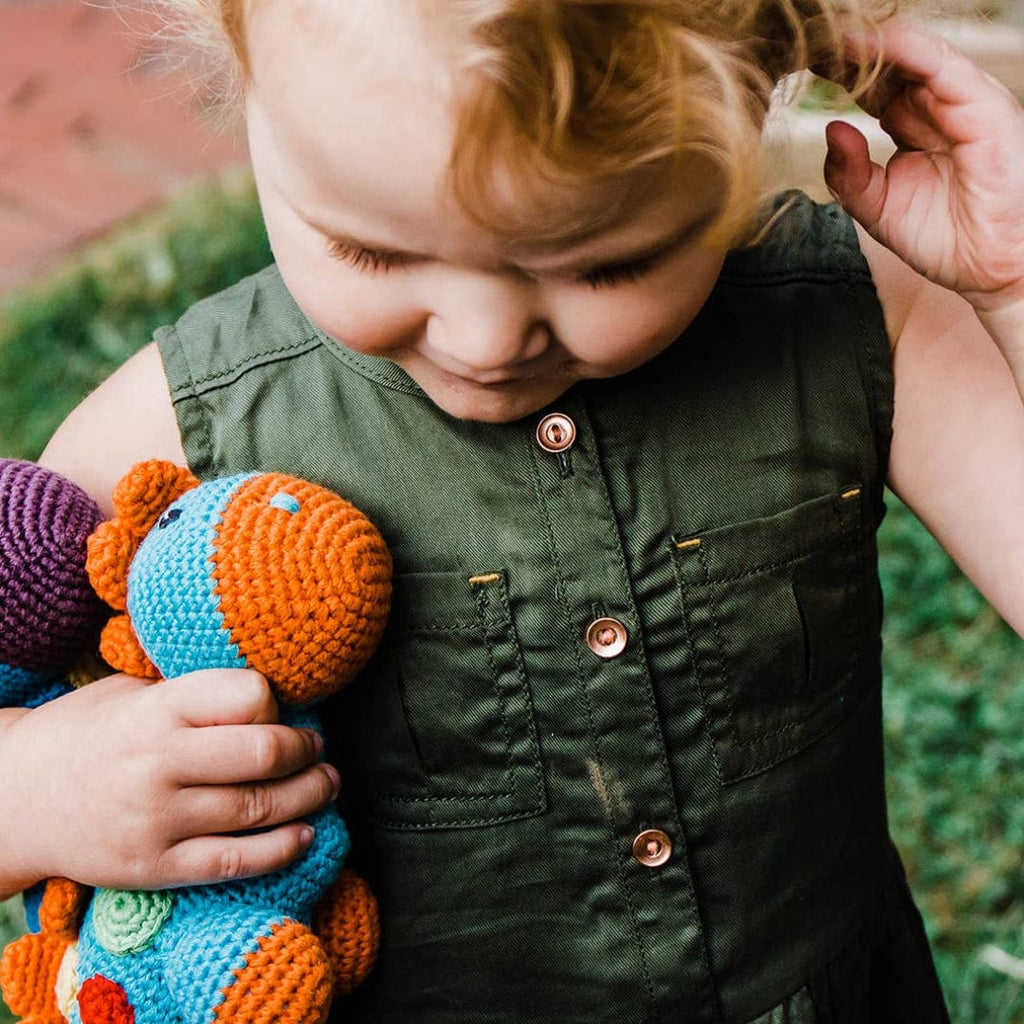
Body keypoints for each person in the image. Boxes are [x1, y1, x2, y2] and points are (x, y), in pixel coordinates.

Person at [2, 0, 1022, 1020]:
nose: (485, 340)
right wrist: (42, 791)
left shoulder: (856, 316)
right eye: (372, 251)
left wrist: (1011, 290)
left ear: (763, 97)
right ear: (248, 90)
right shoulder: (168, 434)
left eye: (602, 263)